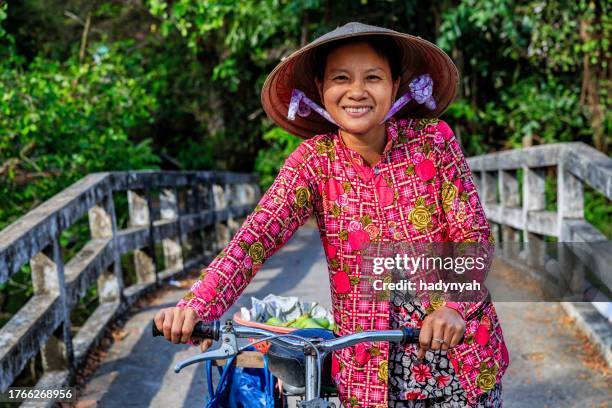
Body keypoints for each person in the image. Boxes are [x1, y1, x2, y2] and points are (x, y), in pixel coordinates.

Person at [154, 22, 509, 407]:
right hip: (369, 373)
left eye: (372, 77)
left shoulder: (433, 140)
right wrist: (196, 306)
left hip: (461, 361)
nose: (357, 92)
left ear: (394, 85)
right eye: (341, 79)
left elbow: (471, 231)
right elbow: (253, 240)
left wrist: (454, 308)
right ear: (321, 89)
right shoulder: (313, 162)